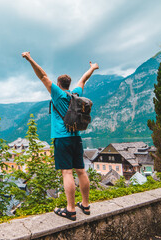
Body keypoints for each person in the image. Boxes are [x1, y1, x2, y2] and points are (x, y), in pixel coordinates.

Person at [22, 51, 99, 221]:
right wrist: (92, 67)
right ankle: (85, 205)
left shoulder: (58, 94)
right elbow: (83, 79)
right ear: (69, 84)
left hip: (62, 139)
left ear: (58, 83)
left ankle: (70, 209)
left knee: (66, 172)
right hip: (76, 138)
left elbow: (42, 75)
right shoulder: (76, 94)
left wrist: (29, 58)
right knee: (81, 170)